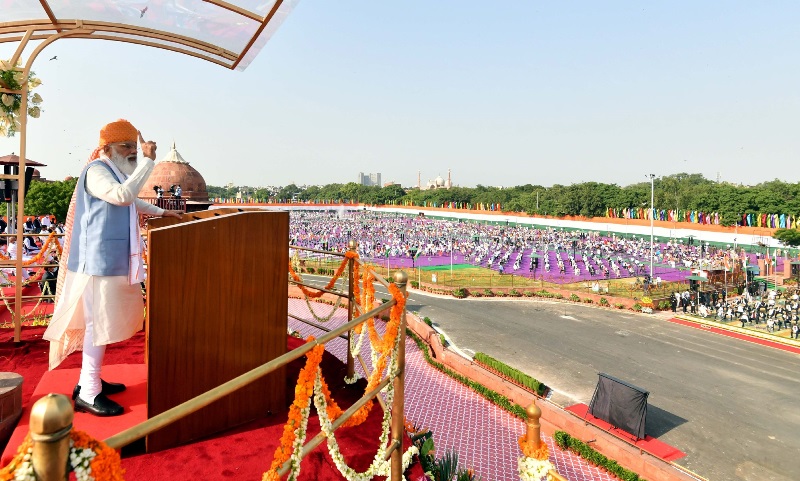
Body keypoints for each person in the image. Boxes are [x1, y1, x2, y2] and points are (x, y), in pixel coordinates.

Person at [44, 120, 182, 417]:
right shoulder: (96, 171)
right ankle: (89, 392)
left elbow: (131, 203)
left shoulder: (116, 172)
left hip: (110, 259)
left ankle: (89, 382)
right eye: (126, 147)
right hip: (96, 262)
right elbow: (122, 196)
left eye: (134, 146)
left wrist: (162, 212)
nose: (132, 152)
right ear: (106, 148)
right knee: (97, 325)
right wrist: (149, 162)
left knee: (102, 324)